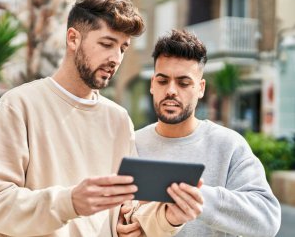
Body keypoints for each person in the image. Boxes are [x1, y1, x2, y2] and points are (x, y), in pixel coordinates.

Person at [0, 0, 145, 237]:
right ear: (73, 39)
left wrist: (135, 220)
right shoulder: (18, 105)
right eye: (107, 44)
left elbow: (127, 202)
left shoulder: (118, 119)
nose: (115, 58)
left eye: (123, 48)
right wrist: (69, 202)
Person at [117, 29, 281, 237]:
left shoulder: (229, 145)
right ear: (152, 85)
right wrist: (119, 226)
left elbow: (267, 220)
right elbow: (114, 212)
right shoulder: (132, 143)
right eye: (162, 81)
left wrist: (194, 197)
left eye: (184, 83)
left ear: (201, 88)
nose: (171, 91)